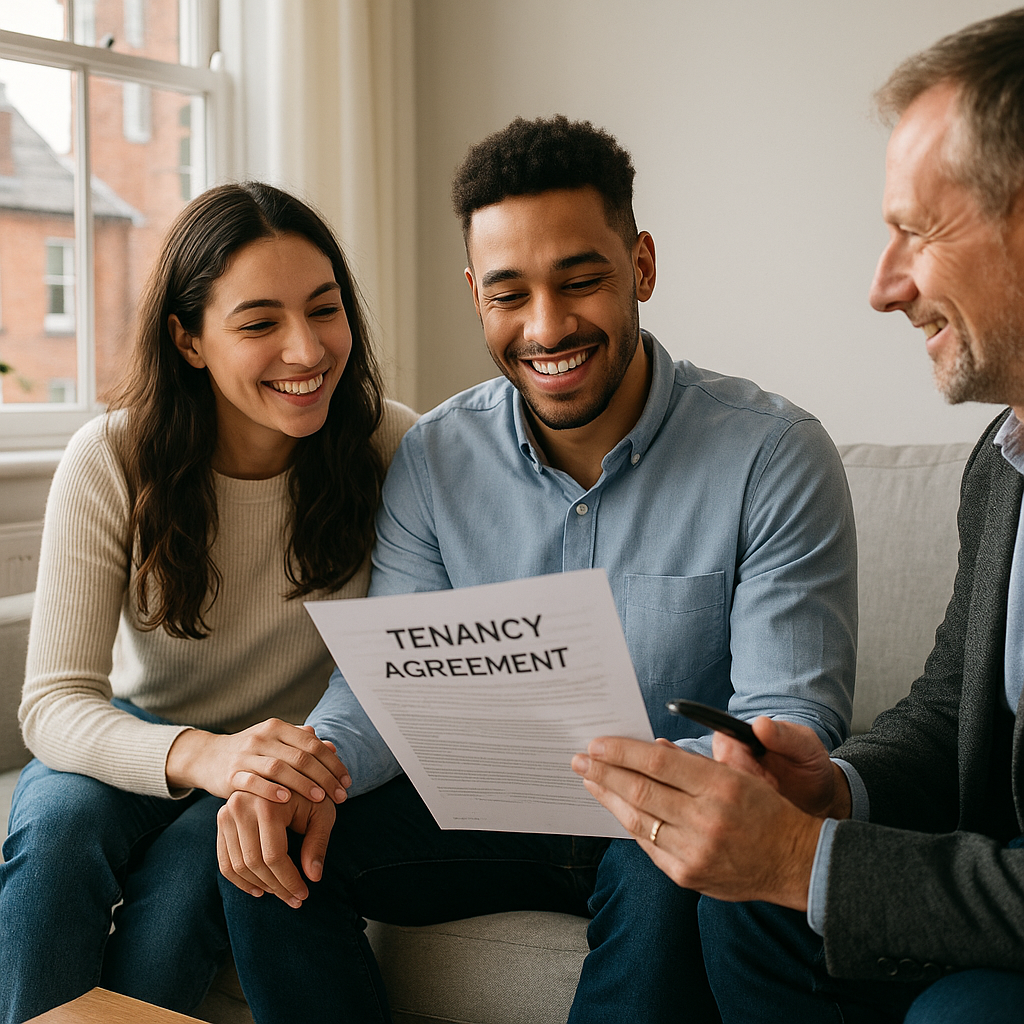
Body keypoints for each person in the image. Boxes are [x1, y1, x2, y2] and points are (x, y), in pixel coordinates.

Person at [216, 116, 858, 1024]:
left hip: (652, 821)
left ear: (640, 266)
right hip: (481, 810)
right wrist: (305, 772)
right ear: (476, 293)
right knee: (271, 845)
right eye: (509, 293)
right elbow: (385, 691)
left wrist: (670, 777)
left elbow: (792, 716)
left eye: (581, 280)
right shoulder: (435, 458)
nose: (547, 326)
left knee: (669, 853)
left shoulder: (773, 454)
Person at [571, 9, 1024, 1023]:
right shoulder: (1000, 466)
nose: (881, 285)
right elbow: (950, 711)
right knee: (740, 902)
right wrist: (831, 792)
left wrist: (810, 859)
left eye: (917, 229)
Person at [0, 181, 417, 1024]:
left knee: (203, 875)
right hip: (142, 729)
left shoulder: (391, 445)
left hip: (279, 766)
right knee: (54, 842)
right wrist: (204, 756)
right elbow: (51, 705)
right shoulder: (112, 457)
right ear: (188, 340)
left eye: (324, 309)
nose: (306, 351)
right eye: (259, 323)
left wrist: (248, 773)